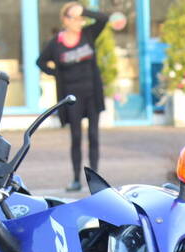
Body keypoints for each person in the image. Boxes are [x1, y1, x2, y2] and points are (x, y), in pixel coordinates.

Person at [37, 2, 109, 192]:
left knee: (93, 135)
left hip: (92, 93)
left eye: (80, 18)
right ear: (64, 20)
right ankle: (76, 179)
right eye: (74, 17)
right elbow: (40, 62)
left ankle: (96, 181)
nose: (78, 21)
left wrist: (83, 10)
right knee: (76, 137)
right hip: (72, 96)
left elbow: (104, 18)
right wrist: (57, 74)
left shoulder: (88, 34)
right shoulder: (56, 43)